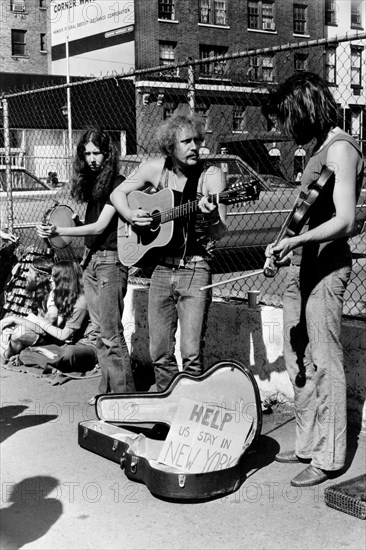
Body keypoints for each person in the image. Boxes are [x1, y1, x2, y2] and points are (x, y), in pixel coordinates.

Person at [264, 72, 364, 487]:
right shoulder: (318, 149)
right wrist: (280, 245)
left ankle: (329, 456)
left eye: (287, 119)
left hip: (326, 267)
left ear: (306, 110)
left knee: (325, 363)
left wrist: (298, 241)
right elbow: (305, 212)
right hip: (302, 264)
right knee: (297, 358)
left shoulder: (340, 149)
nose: (284, 129)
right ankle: (306, 443)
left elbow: (344, 220)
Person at [110, 112, 227, 391]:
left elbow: (221, 231)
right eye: (186, 141)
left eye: (198, 140)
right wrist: (130, 214)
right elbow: (117, 194)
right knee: (159, 353)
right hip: (161, 269)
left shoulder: (211, 176)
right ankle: (169, 406)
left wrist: (210, 218)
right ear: (169, 146)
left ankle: (190, 411)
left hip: (195, 269)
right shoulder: (155, 169)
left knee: (191, 354)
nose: (195, 147)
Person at [37, 128, 135, 401]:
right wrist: (57, 230)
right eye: (87, 153)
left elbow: (103, 225)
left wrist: (64, 230)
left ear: (108, 154)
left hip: (110, 263)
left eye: (97, 153)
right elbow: (91, 229)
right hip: (91, 262)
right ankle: (107, 393)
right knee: (101, 336)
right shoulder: (95, 184)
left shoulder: (118, 183)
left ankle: (126, 399)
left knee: (112, 335)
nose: (92, 158)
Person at [0, 261, 97, 375]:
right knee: (25, 352)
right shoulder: (64, 295)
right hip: (66, 343)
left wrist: (36, 320)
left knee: (69, 353)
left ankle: (51, 360)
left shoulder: (81, 301)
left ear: (64, 279)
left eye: (54, 276)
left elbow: (63, 335)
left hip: (86, 345)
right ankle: (51, 361)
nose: (50, 279)